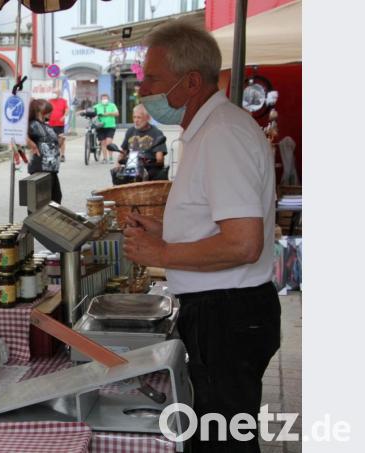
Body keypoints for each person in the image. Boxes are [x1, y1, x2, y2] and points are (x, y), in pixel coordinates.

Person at [122, 20, 280, 453]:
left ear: (191, 81)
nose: (143, 90)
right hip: (225, 312)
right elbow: (220, 224)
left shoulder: (221, 135)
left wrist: (163, 250)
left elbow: (243, 243)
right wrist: (165, 229)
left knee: (221, 441)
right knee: (217, 433)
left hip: (227, 314)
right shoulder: (210, 130)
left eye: (152, 79)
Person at [111, 104, 168, 184]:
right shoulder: (130, 131)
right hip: (131, 164)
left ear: (148, 118)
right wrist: (117, 163)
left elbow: (159, 158)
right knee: (117, 176)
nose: (136, 120)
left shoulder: (157, 133)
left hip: (149, 166)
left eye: (139, 117)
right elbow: (123, 151)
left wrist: (154, 160)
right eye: (134, 117)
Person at [26, 99, 62, 203]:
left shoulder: (46, 125)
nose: (50, 113)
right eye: (48, 110)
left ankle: (50, 219)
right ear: (39, 110)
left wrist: (60, 141)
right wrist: (30, 143)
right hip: (40, 169)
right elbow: (17, 135)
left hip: (52, 170)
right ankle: (36, 220)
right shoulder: (33, 124)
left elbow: (52, 145)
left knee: (56, 198)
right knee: (40, 202)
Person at [93, 93, 119, 163]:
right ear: (101, 99)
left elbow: (117, 113)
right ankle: (105, 158)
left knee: (109, 143)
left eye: (106, 98)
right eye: (103, 98)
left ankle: (110, 158)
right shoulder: (97, 106)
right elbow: (91, 111)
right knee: (103, 143)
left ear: (108, 99)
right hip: (100, 127)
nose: (104, 100)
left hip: (110, 126)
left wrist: (108, 114)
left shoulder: (112, 105)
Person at [47, 89, 69, 162]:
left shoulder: (63, 101)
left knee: (61, 139)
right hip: (51, 124)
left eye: (56, 92)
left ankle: (62, 155)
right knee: (51, 140)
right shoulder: (49, 101)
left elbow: (67, 109)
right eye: (54, 92)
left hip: (60, 124)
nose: (55, 94)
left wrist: (64, 116)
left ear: (59, 93)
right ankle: (53, 154)